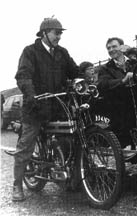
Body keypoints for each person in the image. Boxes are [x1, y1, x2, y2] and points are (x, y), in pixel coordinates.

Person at [12, 17, 79, 201]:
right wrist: (31, 95)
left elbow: (74, 71)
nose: (59, 37)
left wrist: (84, 77)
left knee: (70, 138)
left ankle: (70, 176)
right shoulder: (30, 51)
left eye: (60, 33)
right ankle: (17, 185)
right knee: (26, 145)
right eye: (56, 33)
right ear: (44, 33)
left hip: (57, 106)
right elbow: (23, 76)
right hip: (35, 106)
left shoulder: (62, 53)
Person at [97, 37, 136, 147]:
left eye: (114, 46)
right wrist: (122, 81)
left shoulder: (134, 63)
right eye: (108, 48)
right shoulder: (104, 68)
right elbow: (103, 84)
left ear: (122, 47)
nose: (111, 50)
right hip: (119, 108)